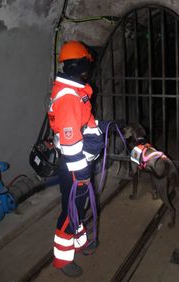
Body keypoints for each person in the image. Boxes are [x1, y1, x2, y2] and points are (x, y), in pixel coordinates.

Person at [47, 40, 104, 277]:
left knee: (79, 206)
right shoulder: (69, 96)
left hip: (79, 162)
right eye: (86, 65)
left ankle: (78, 241)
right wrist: (81, 171)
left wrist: (102, 128)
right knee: (70, 211)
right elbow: (70, 143)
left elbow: (85, 122)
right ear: (80, 65)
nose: (87, 71)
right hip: (74, 164)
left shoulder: (76, 91)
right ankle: (62, 259)